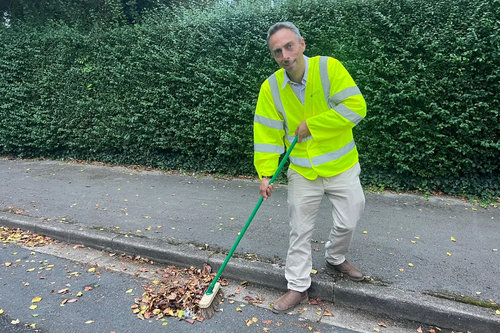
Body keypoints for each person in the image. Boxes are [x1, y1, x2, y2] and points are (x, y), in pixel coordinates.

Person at [253, 22, 367, 314]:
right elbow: (266, 133)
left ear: (302, 44)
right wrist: (266, 173)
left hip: (341, 166)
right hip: (303, 171)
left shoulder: (329, 69)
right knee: (300, 230)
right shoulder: (271, 88)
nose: (285, 55)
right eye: (277, 52)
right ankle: (297, 287)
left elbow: (356, 107)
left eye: (289, 46)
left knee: (349, 221)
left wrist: (312, 126)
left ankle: (335, 257)